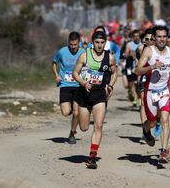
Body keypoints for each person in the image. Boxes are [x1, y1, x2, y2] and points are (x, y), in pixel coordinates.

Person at [135, 25, 170, 164]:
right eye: (159, 37)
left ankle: (163, 151)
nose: (162, 39)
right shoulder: (148, 51)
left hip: (165, 91)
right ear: (155, 38)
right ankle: (146, 130)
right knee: (151, 122)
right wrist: (151, 67)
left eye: (164, 36)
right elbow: (137, 70)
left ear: (167, 38)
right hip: (150, 91)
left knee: (164, 120)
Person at [72, 31, 118, 169]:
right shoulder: (85, 56)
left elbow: (115, 72)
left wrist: (110, 85)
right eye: (97, 42)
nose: (99, 45)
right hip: (84, 95)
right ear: (93, 43)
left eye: (102, 42)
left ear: (105, 43)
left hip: (99, 96)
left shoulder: (109, 58)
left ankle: (92, 156)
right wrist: (83, 83)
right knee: (84, 127)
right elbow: (75, 73)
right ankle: (78, 127)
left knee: (98, 126)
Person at [52, 31, 85, 144]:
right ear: (68, 43)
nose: (73, 47)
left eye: (75, 44)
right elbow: (54, 62)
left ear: (79, 43)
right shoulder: (62, 51)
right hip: (65, 85)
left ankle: (72, 133)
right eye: (71, 44)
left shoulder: (83, 52)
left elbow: (88, 66)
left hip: (78, 86)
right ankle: (71, 109)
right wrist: (56, 75)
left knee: (76, 113)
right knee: (66, 112)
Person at [124, 30, 141, 107]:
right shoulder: (129, 44)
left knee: (138, 83)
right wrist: (130, 54)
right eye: (134, 36)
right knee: (131, 83)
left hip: (138, 66)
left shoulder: (142, 44)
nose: (136, 37)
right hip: (129, 66)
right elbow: (125, 55)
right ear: (132, 37)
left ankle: (138, 98)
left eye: (137, 36)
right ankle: (135, 99)